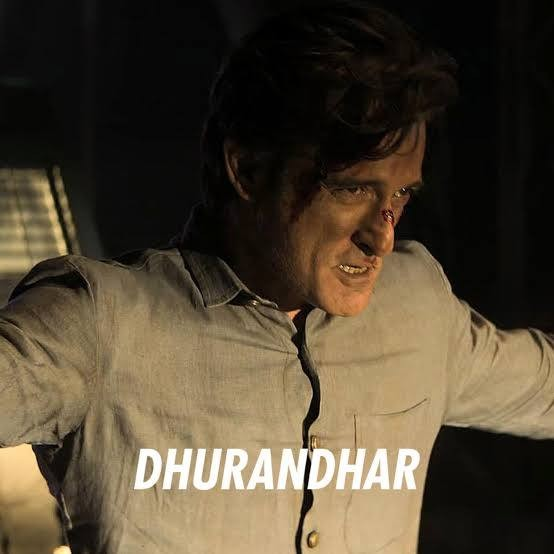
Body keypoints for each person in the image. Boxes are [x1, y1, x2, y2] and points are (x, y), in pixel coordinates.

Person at [1, 2, 553, 553]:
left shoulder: (417, 305)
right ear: (249, 169)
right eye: (352, 189)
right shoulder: (98, 323)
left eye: (401, 195)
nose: (381, 237)